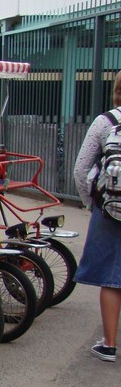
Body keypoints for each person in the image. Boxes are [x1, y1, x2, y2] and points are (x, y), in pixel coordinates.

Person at [73, 69, 121, 362]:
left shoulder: (106, 122)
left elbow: (81, 169)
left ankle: (109, 344)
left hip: (111, 208)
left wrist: (93, 203)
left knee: (111, 278)